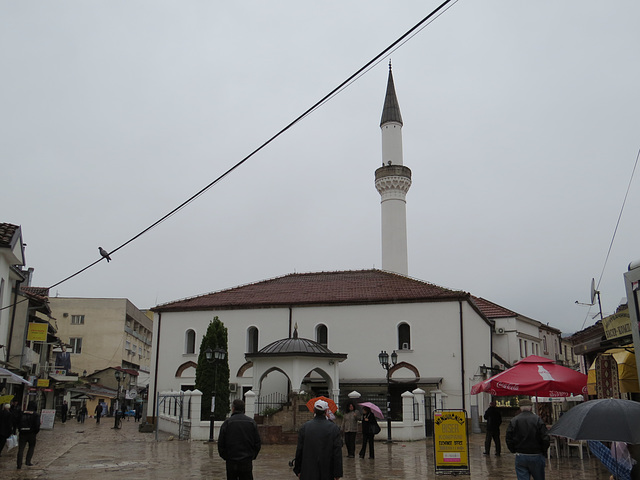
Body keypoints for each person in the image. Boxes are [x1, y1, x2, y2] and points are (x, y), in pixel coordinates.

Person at [294, 399, 342, 480]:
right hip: (327, 471)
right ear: (326, 411)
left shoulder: (305, 427)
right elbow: (337, 452)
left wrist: (298, 469)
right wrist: (337, 473)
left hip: (308, 470)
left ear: (314, 410)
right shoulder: (334, 428)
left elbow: (299, 450)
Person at [506, 399, 550, 480]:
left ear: (520, 408)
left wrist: (513, 450)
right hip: (536, 454)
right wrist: (543, 451)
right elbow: (545, 438)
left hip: (521, 454)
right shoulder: (537, 420)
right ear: (530, 408)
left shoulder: (514, 420)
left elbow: (509, 438)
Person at [217, 399, 261, 480]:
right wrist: (252, 456)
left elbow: (221, 444)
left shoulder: (227, 423)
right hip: (246, 461)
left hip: (231, 461)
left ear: (233, 408)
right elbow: (257, 443)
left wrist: (226, 457)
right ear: (244, 409)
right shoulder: (251, 423)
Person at [17, 401, 41, 469]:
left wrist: (20, 429)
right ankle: (28, 461)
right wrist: (35, 432)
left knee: (21, 449)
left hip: (22, 433)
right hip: (31, 434)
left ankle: (19, 464)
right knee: (31, 447)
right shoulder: (36, 415)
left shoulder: (22, 413)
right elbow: (37, 425)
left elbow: (17, 422)